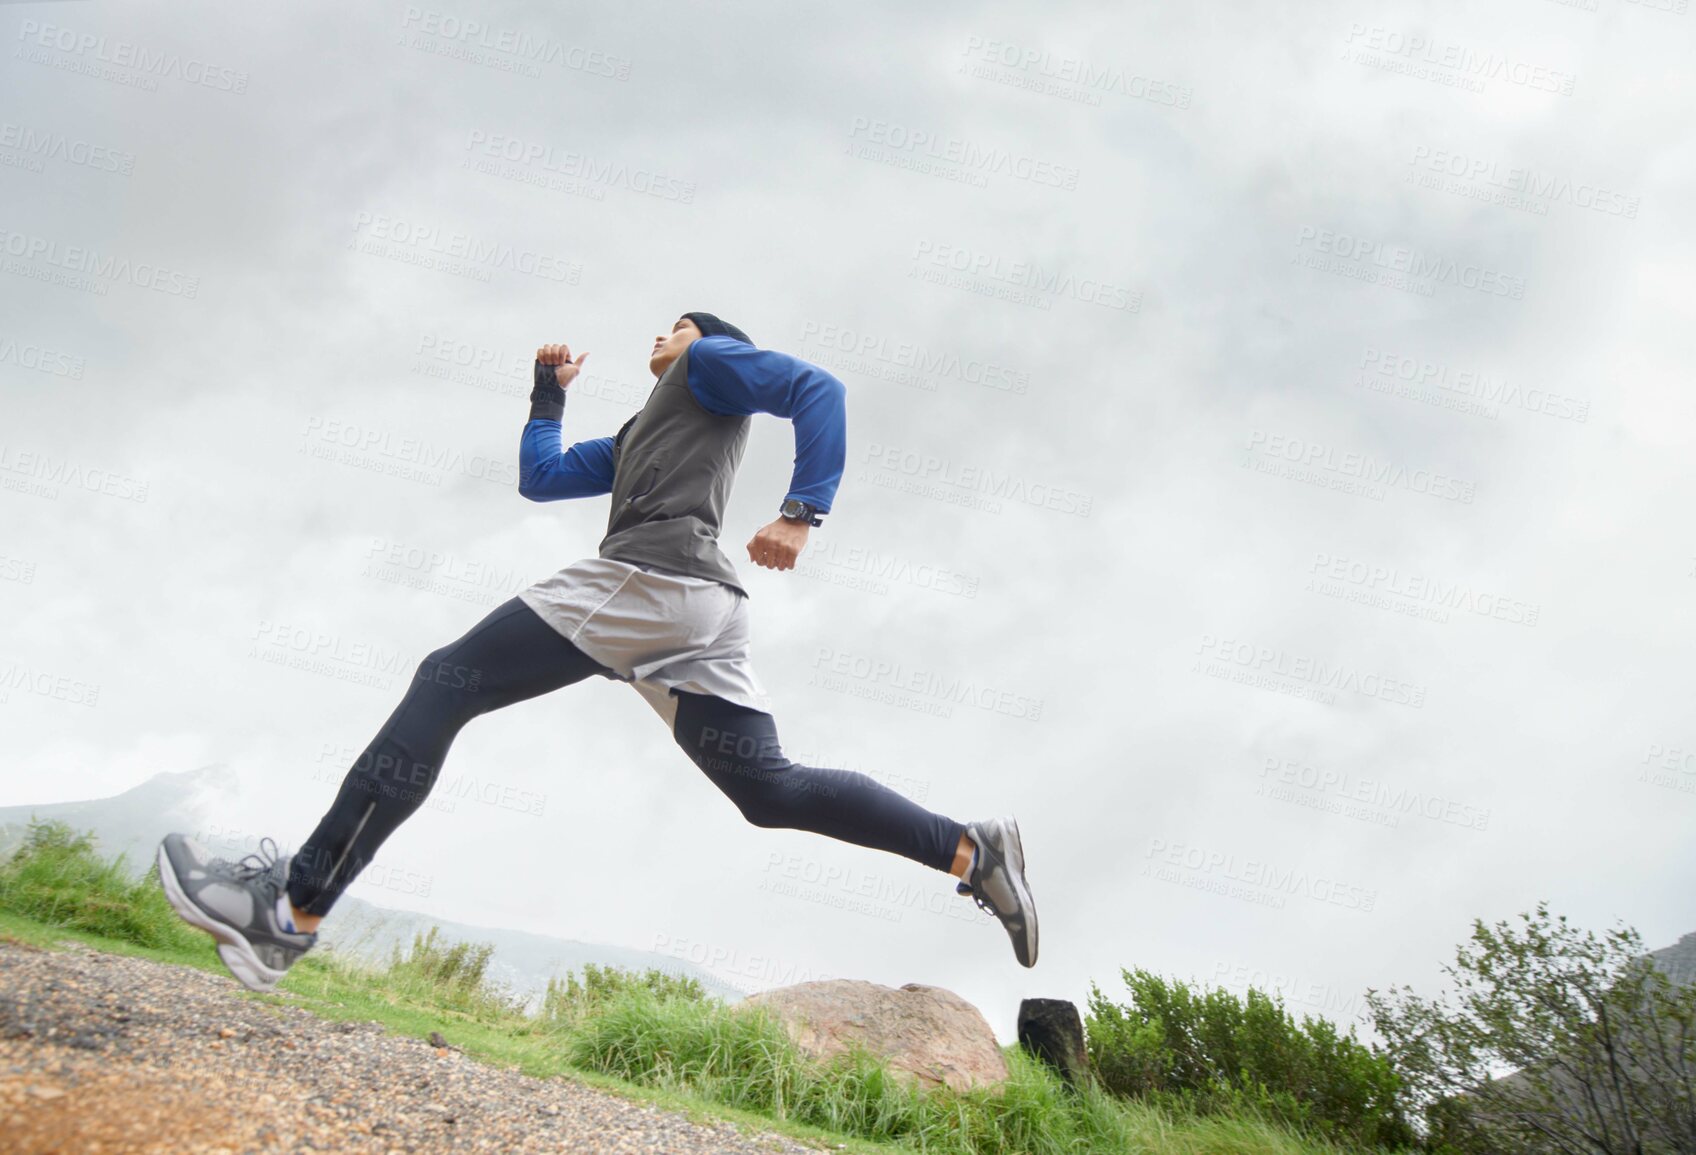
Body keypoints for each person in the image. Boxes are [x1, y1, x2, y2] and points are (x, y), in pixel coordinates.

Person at [156, 312, 1038, 993]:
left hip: (654, 579)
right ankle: (970, 851)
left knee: (446, 680)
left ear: (711, 344)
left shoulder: (709, 366)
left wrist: (803, 510)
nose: (664, 333)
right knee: (767, 789)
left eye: (681, 323)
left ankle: (292, 906)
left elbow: (822, 387)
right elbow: (540, 477)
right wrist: (549, 393)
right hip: (699, 609)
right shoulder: (645, 428)